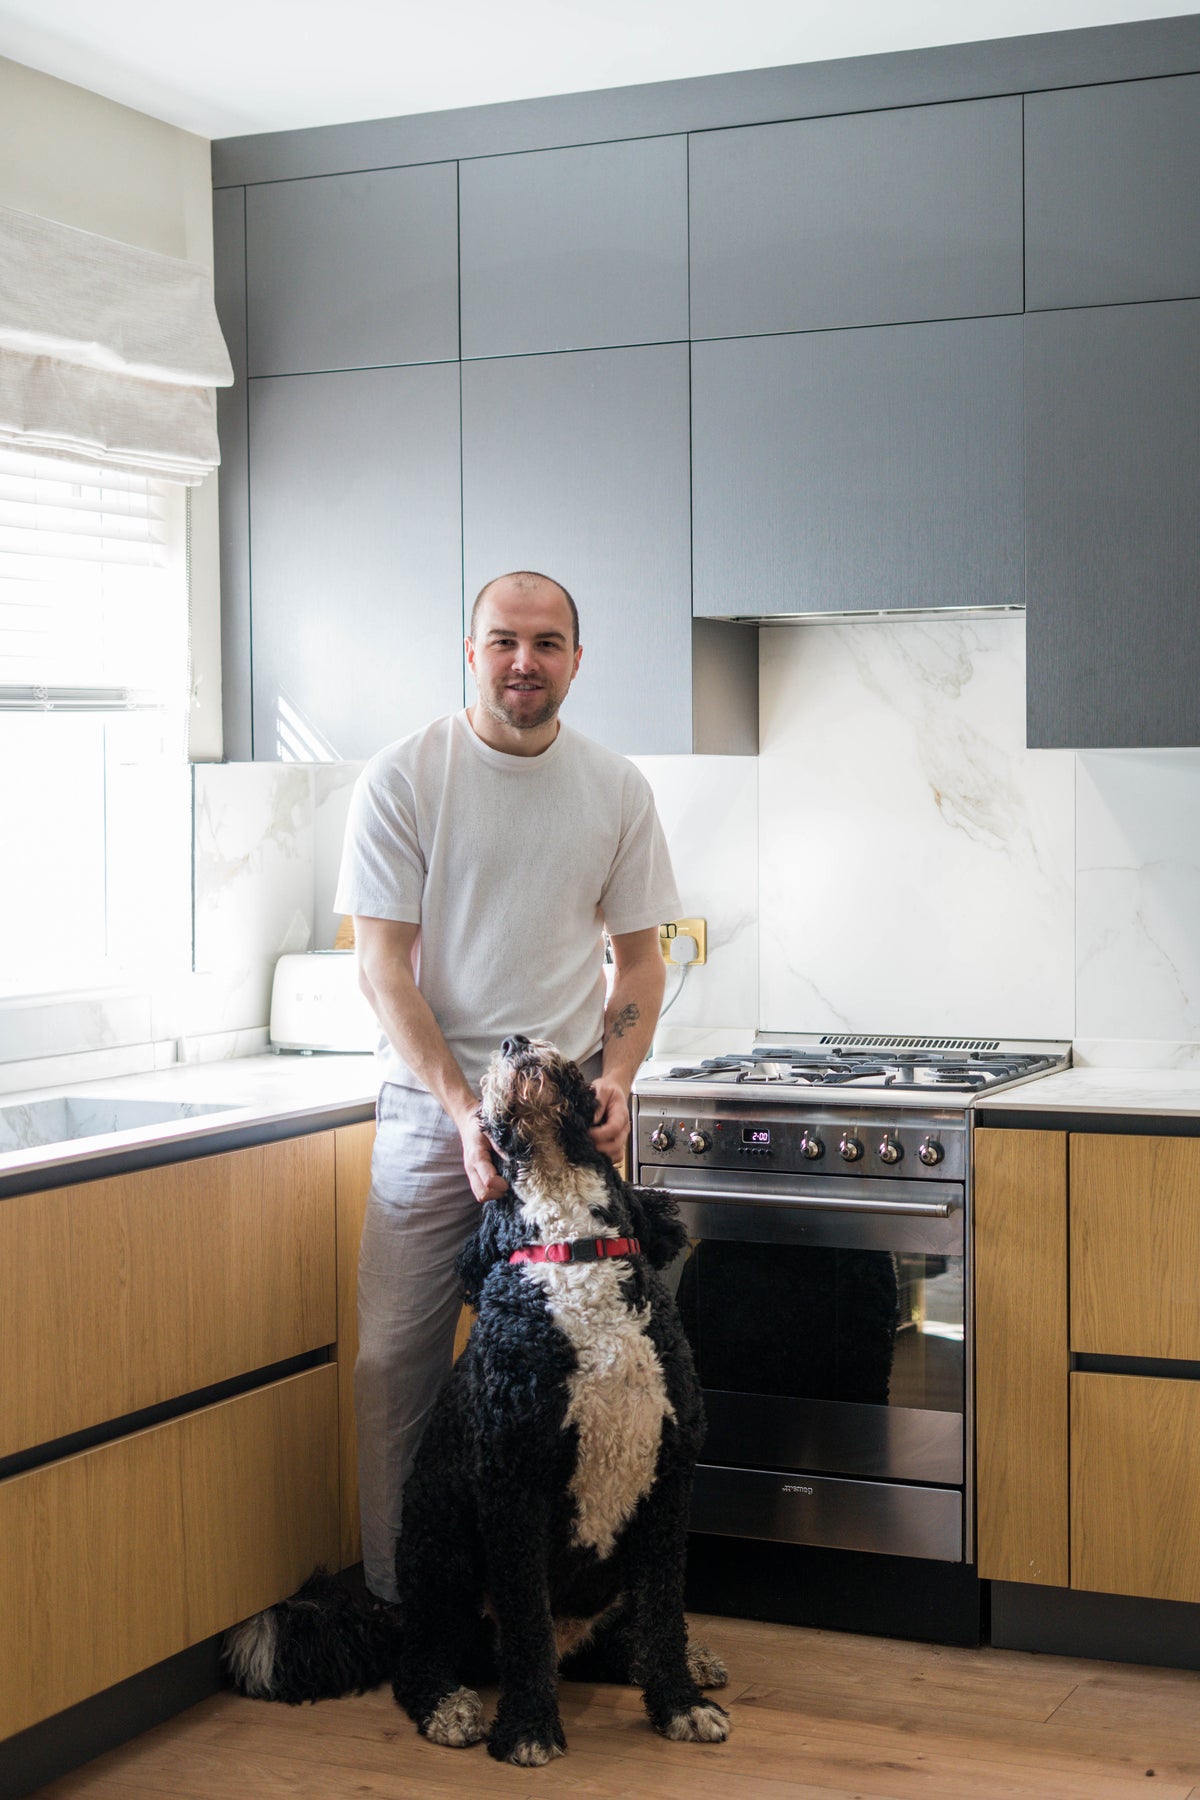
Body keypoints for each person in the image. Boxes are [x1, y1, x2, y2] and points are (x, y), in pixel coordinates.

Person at [333, 569, 682, 1600]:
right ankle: (409, 1607)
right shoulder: (405, 777)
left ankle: (570, 1603)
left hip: (564, 1115)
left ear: (576, 657)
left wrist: (618, 1074)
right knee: (394, 1362)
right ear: (471, 651)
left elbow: (642, 961)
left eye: (545, 641)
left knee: (594, 1368)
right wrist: (456, 1109)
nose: (523, 661)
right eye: (502, 641)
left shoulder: (616, 787)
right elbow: (381, 965)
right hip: (431, 1105)